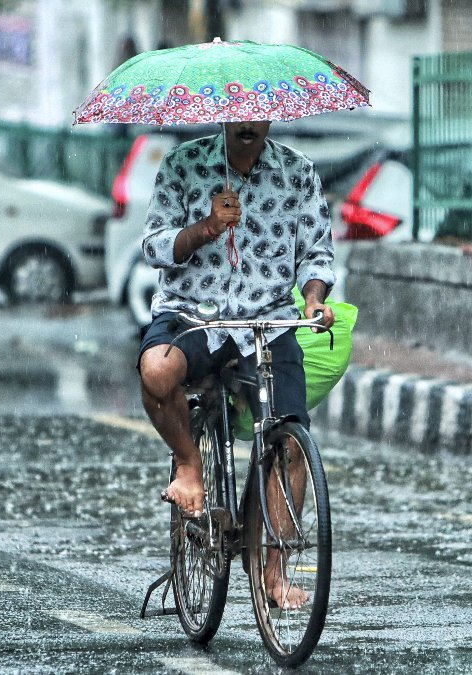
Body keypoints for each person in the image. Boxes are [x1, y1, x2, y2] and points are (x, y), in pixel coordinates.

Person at [136, 120, 336, 610]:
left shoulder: (298, 171)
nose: (247, 123)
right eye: (238, 114)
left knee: (291, 442)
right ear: (225, 117)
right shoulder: (183, 165)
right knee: (156, 371)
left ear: (268, 116)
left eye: (256, 114)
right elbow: (155, 246)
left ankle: (274, 572)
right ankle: (189, 465)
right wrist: (205, 228)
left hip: (267, 324)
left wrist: (314, 300)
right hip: (193, 315)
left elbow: (317, 255)